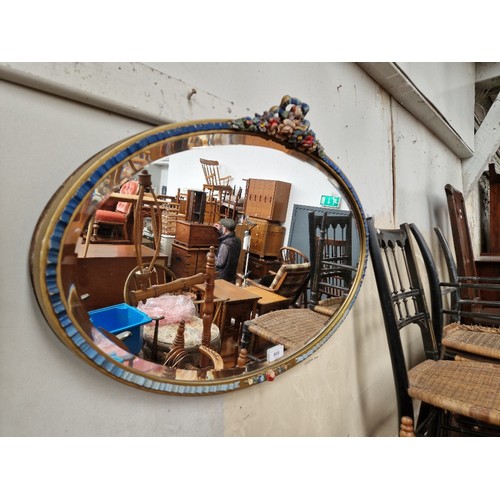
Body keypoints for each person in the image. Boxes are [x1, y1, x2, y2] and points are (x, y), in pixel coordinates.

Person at [214, 218, 241, 283]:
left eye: (222, 227)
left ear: (225, 229)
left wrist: (212, 257)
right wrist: (220, 230)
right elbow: (228, 236)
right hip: (231, 277)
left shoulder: (225, 244)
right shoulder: (237, 240)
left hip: (222, 278)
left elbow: (219, 263)